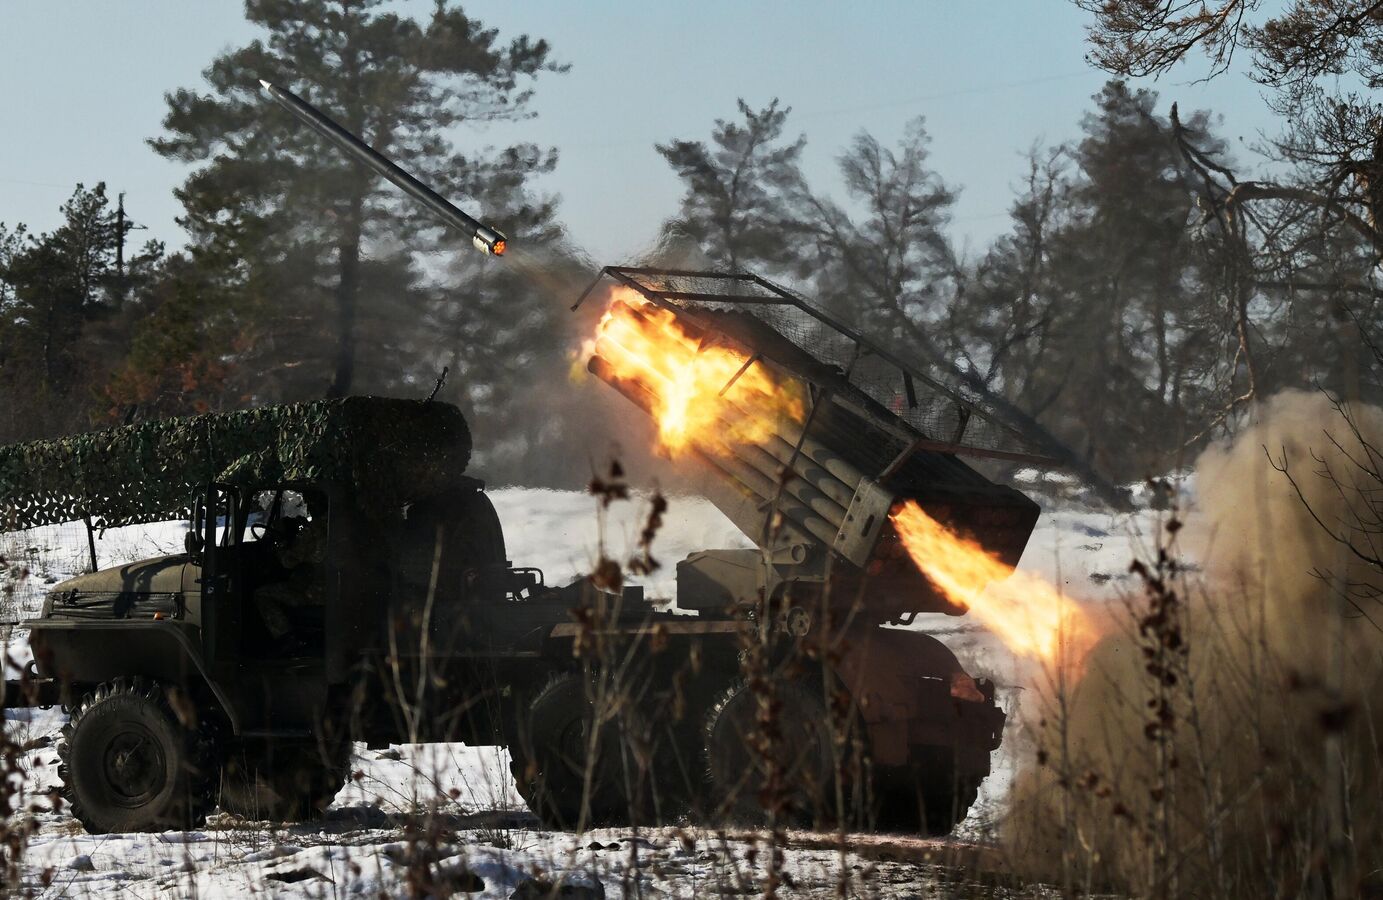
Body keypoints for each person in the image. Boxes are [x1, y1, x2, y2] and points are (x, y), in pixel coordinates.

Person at [254, 512, 327, 652]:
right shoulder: (340, 525)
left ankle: (287, 638)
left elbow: (288, 561)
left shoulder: (312, 531)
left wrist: (280, 546)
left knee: (261, 594)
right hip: (334, 590)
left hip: (312, 594)